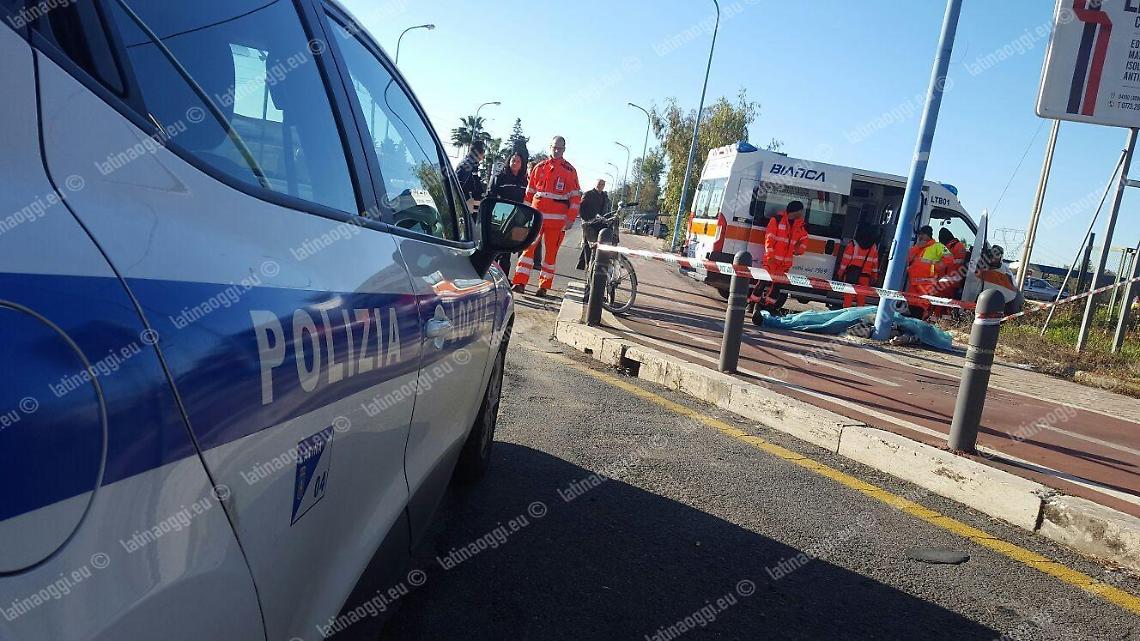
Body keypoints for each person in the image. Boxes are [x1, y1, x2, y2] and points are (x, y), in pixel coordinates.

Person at [512, 136, 582, 296]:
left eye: (560, 148)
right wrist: (524, 215)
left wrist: (571, 218)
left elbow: (575, 198)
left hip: (557, 222)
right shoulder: (539, 167)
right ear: (550, 147)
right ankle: (519, 282)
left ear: (564, 149)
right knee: (527, 250)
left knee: (550, 255)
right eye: (554, 147)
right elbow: (529, 193)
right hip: (536, 217)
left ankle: (543, 286)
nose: (556, 150)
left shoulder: (570, 171)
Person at [754, 201, 808, 309]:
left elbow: (804, 238)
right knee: (762, 283)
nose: (802, 213)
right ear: (796, 211)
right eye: (801, 211)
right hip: (772, 260)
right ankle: (753, 304)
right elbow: (769, 238)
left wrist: (799, 250)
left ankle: (768, 308)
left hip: (784, 264)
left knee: (777, 287)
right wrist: (770, 256)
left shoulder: (800, 225)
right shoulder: (776, 220)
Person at [906, 225, 953, 317]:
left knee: (921, 307)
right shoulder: (918, 246)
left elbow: (949, 258)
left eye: (922, 234)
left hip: (927, 283)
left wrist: (936, 267)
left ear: (928, 235)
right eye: (919, 234)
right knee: (911, 305)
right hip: (913, 282)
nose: (920, 237)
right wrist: (917, 247)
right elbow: (908, 258)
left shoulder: (937, 246)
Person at [838, 226, 880, 308]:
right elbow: (875, 263)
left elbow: (845, 260)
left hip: (851, 274)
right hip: (865, 277)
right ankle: (859, 314)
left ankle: (846, 313)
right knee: (861, 298)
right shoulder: (873, 246)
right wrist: (874, 276)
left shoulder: (853, 244)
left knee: (848, 297)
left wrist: (840, 272)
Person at [575, 179, 610, 270]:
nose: (600, 186)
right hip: (589, 222)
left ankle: (582, 263)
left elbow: (606, 209)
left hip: (600, 223)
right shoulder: (588, 194)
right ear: (595, 184)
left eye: (602, 184)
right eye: (599, 184)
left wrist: (606, 219)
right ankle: (587, 265)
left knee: (594, 242)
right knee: (588, 243)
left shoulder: (605, 196)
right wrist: (585, 219)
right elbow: (581, 207)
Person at [935, 227, 968, 302]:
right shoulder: (950, 247)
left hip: (951, 284)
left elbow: (955, 265)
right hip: (945, 282)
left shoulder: (957, 247)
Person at [456, 141, 487, 209]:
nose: (483, 156)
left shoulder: (472, 165)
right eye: (483, 152)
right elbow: (459, 186)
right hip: (464, 204)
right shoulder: (467, 165)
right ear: (479, 153)